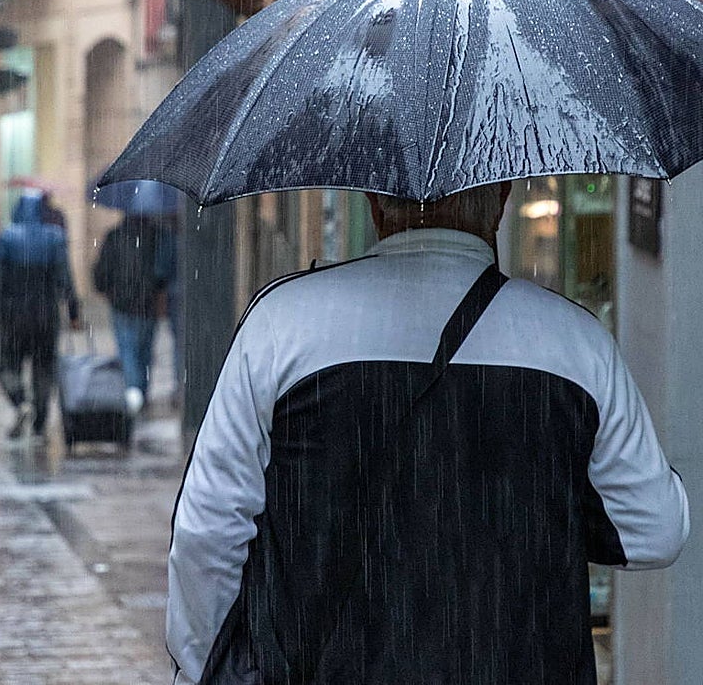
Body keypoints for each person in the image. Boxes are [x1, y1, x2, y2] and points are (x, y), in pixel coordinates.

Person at [167, 182, 689, 684]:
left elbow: (208, 531)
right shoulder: (576, 342)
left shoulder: (282, 323)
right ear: (502, 201)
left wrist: (204, 668)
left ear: (374, 203)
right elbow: (654, 530)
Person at [0, 189, 81, 439]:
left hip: (14, 318)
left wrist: (2, 314)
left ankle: (21, 402)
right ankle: (39, 424)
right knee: (43, 369)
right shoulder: (54, 238)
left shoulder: (6, 239)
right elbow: (65, 279)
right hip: (46, 317)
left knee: (7, 368)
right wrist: (73, 311)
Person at [92, 212, 172, 413]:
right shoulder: (157, 235)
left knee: (127, 351)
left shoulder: (115, 236)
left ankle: (133, 394)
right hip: (147, 304)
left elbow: (102, 270)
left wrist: (107, 289)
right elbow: (162, 272)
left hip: (122, 304)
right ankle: (140, 393)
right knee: (144, 352)